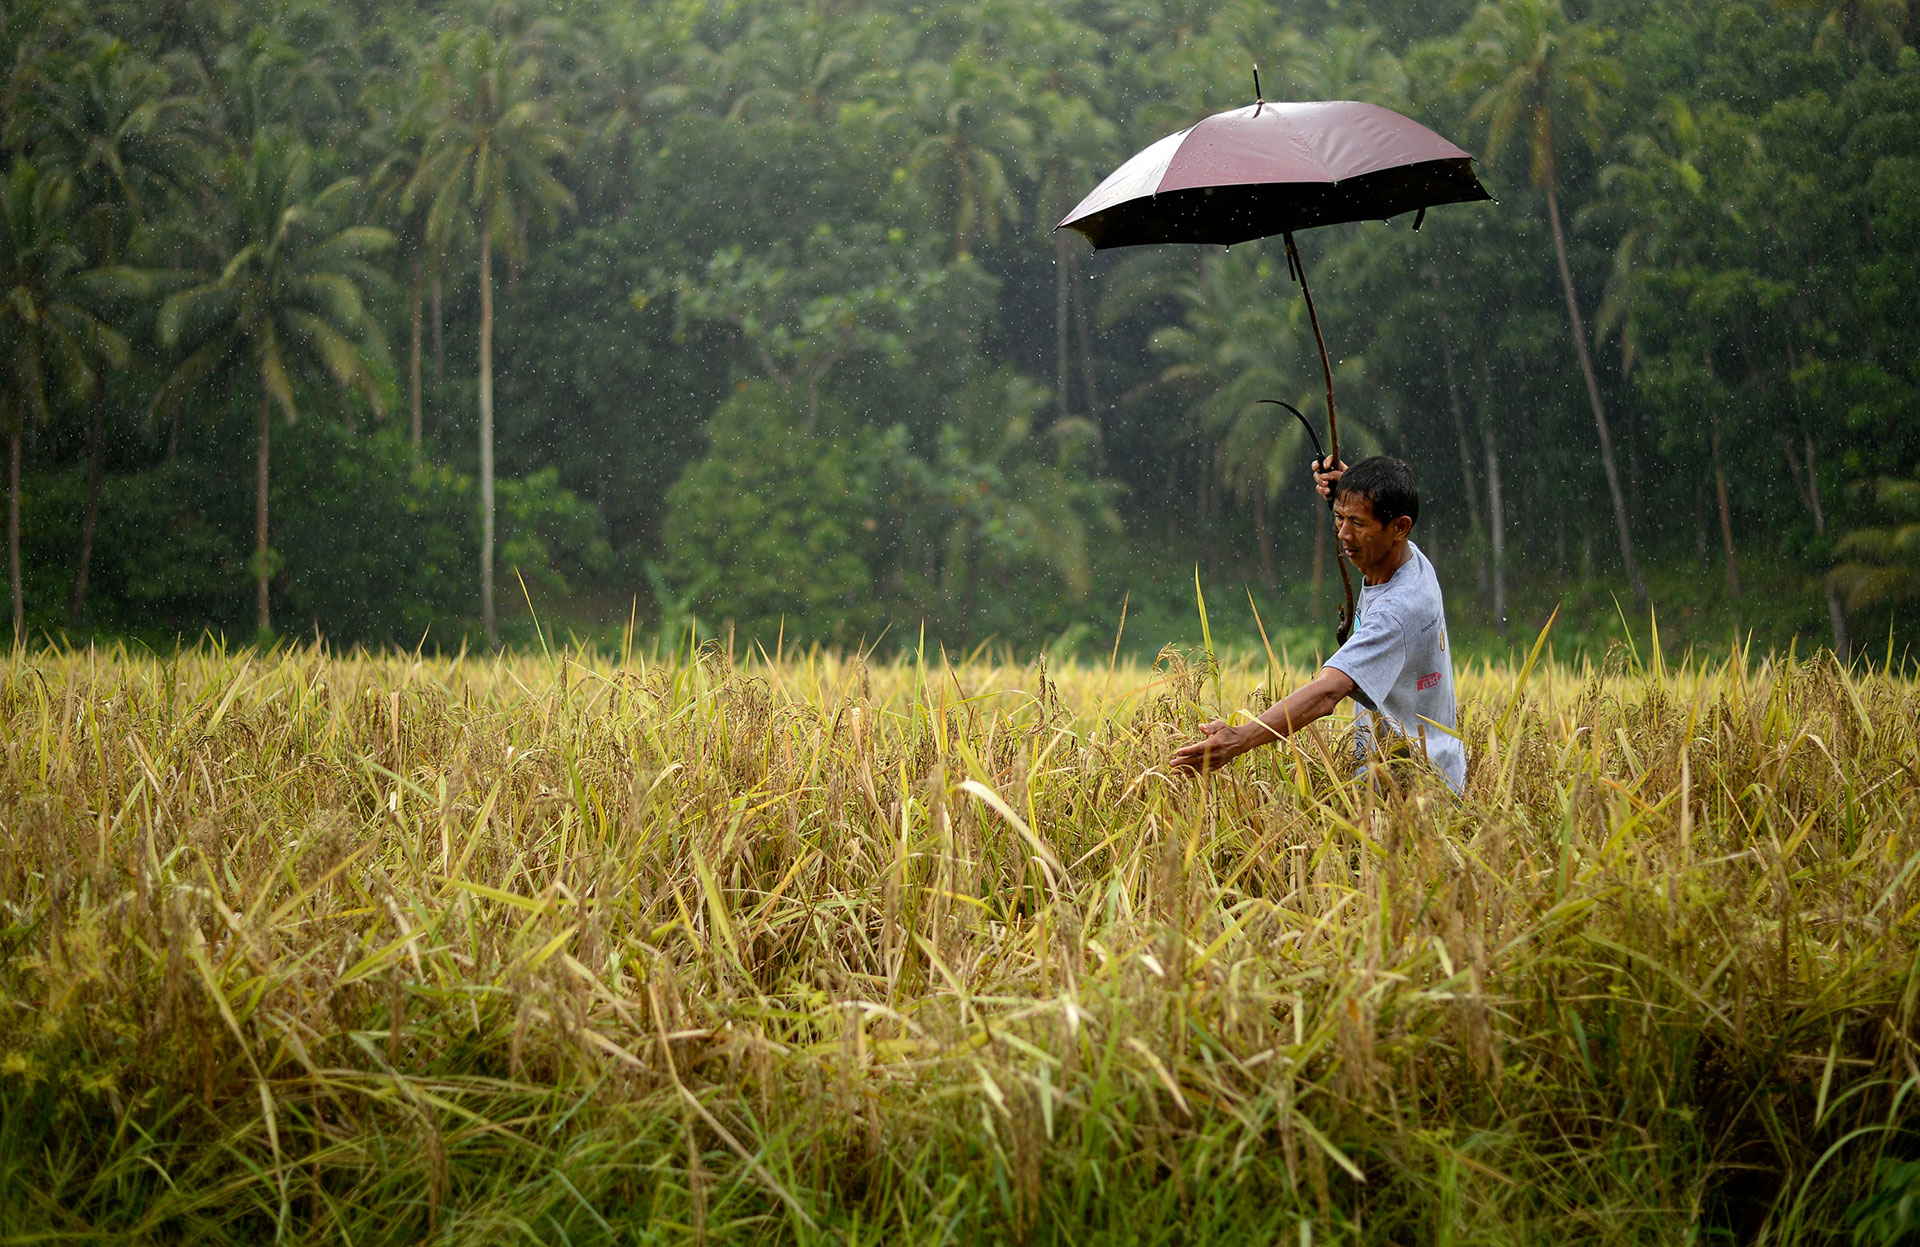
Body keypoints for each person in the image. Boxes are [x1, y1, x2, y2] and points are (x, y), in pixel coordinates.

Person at [1169, 454, 1465, 792]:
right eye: (1339, 519)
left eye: (1358, 523)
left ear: (1400, 527)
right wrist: (1350, 489)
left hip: (1415, 787)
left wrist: (1240, 739)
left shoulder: (1397, 611)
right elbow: (1373, 514)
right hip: (1416, 772)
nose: (1343, 535)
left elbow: (1326, 693)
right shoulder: (1410, 561)